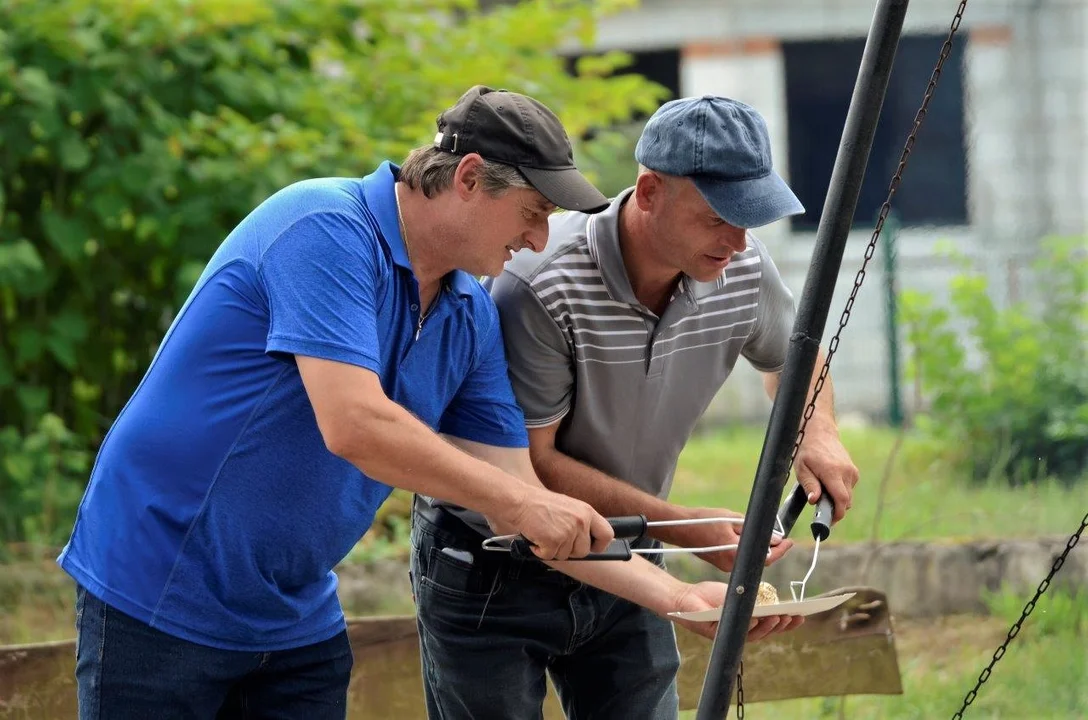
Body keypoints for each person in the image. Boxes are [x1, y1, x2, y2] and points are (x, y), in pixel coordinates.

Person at [56, 85, 739, 720]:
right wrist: (517, 503)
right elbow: (354, 425)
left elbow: (523, 499)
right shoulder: (323, 229)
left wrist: (679, 598)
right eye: (533, 214)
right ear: (469, 178)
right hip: (158, 588)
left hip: (293, 613)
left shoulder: (469, 315)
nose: (538, 240)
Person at [411, 95, 860, 719]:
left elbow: (793, 358)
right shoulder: (541, 284)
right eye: (717, 218)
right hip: (494, 559)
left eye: (749, 219)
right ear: (649, 192)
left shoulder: (740, 266)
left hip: (630, 550)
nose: (736, 241)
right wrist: (679, 524)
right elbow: (530, 471)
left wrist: (819, 431)